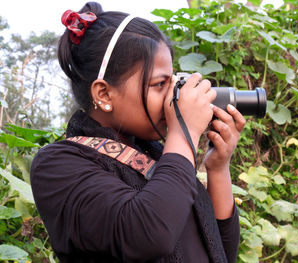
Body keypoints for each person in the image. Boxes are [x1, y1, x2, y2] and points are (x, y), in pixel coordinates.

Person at [30, 2, 246, 263]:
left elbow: (221, 250)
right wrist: (183, 130)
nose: (172, 97)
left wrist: (218, 168)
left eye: (172, 82)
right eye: (159, 85)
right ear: (104, 94)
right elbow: (148, 234)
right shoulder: (57, 165)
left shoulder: (156, 154)